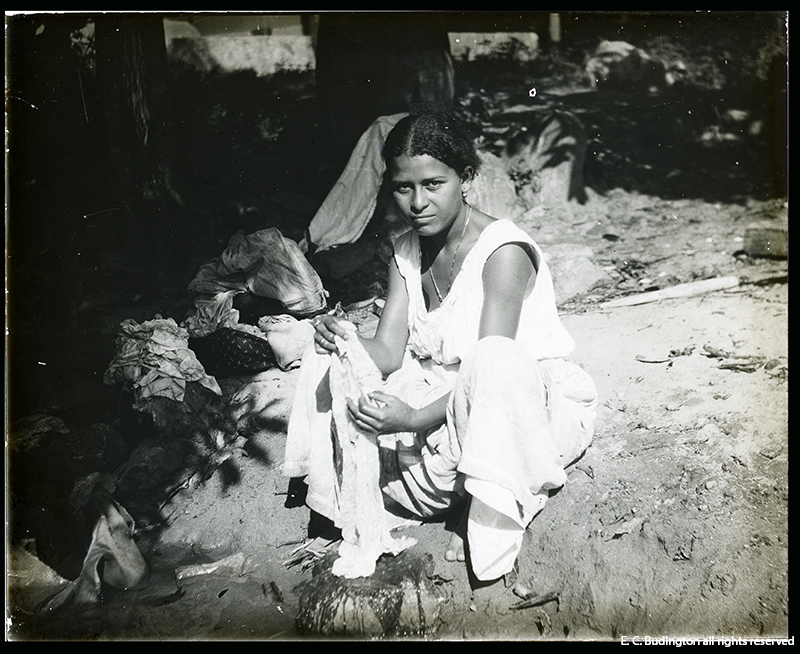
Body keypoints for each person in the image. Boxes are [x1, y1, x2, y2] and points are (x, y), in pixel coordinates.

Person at [283, 109, 597, 583]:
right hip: (445, 397)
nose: (417, 203)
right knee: (329, 352)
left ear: (466, 178)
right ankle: (372, 500)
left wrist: (410, 419)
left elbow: (490, 372)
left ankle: (483, 505)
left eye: (434, 184)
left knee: (489, 361)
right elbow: (389, 351)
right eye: (403, 188)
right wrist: (342, 338)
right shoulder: (405, 250)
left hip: (518, 402)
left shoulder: (503, 252)